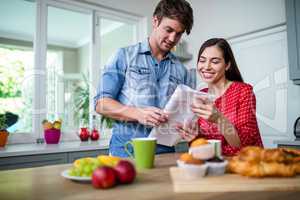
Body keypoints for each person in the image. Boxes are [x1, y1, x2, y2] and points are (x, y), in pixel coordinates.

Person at [94, 0, 194, 157]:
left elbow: (185, 114)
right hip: (126, 150)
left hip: (165, 152)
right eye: (168, 30)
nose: (172, 38)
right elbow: (101, 104)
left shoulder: (182, 70)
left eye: (179, 33)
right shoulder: (124, 56)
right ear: (155, 21)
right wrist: (138, 113)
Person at [176, 38, 263, 156]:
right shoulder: (200, 95)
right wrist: (193, 137)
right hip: (213, 163)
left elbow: (245, 145)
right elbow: (201, 145)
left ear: (227, 65)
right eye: (202, 60)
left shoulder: (244, 91)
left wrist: (219, 119)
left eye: (215, 61)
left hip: (243, 165)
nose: (206, 66)